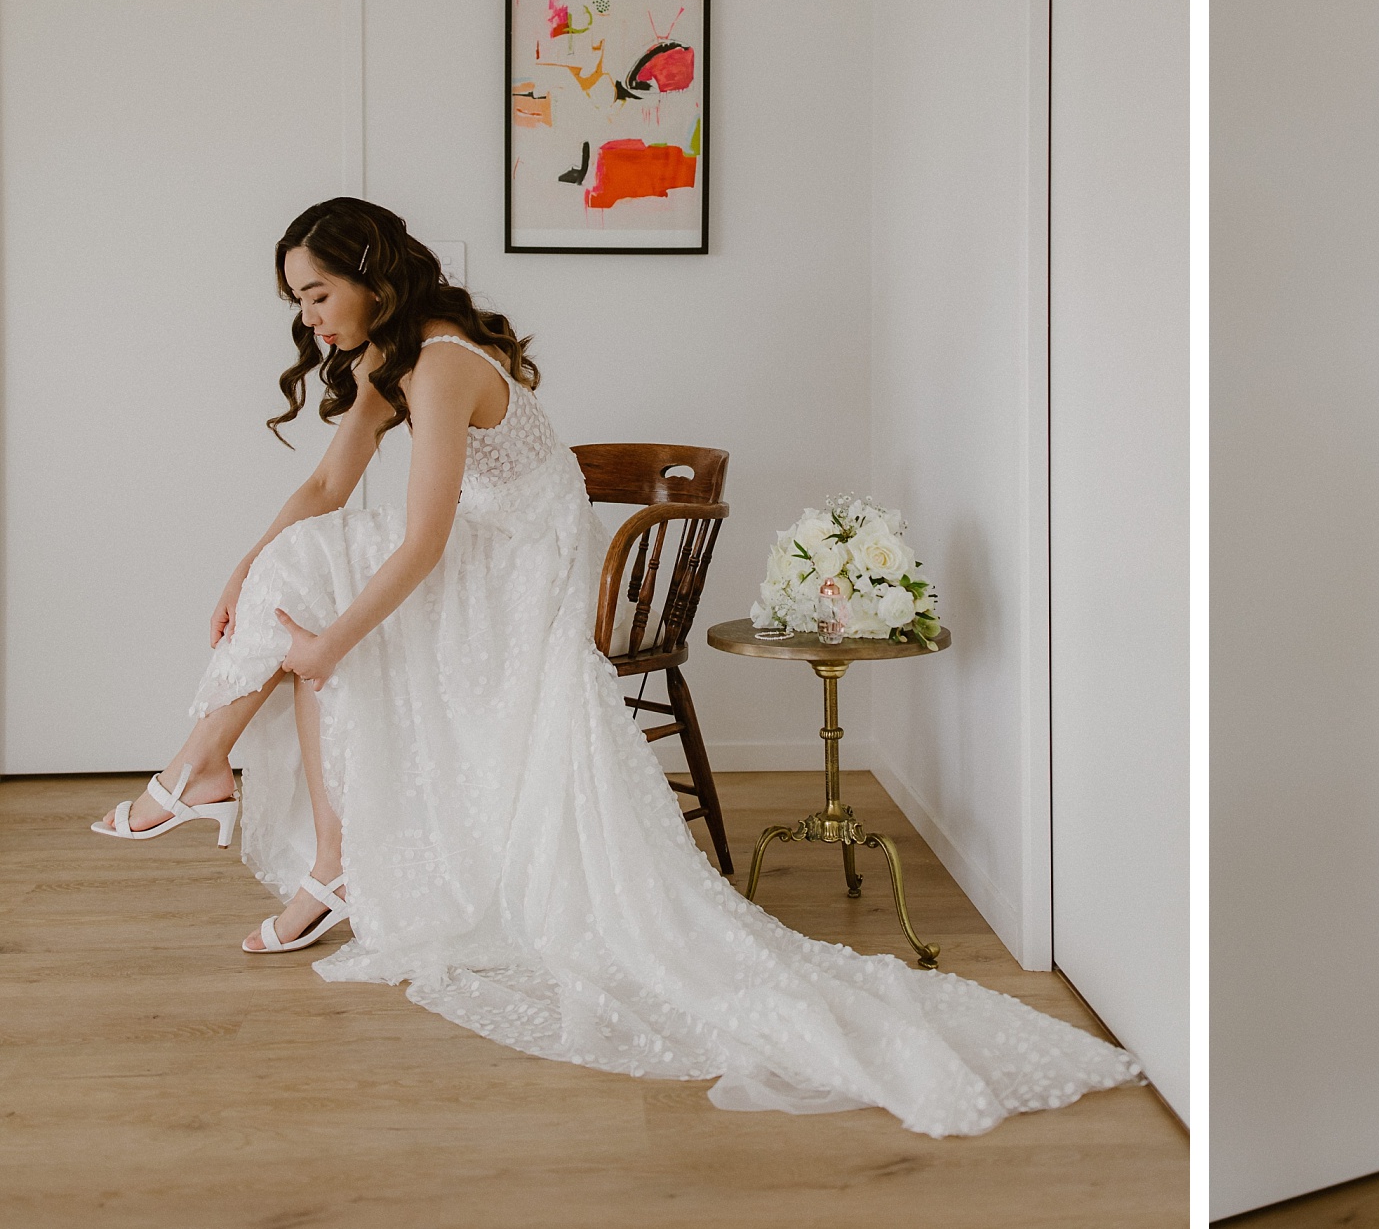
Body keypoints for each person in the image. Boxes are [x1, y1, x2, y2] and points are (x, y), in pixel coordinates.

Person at [92, 197, 1140, 1135]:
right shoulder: (383, 359)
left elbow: (419, 543)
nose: (308, 319)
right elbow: (328, 481)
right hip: (475, 556)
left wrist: (327, 641)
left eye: (318, 293)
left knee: (326, 613)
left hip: (517, 585)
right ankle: (240, 797)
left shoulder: (446, 359)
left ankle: (222, 792)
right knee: (298, 571)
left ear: (373, 274)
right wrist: (243, 569)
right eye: (298, 301)